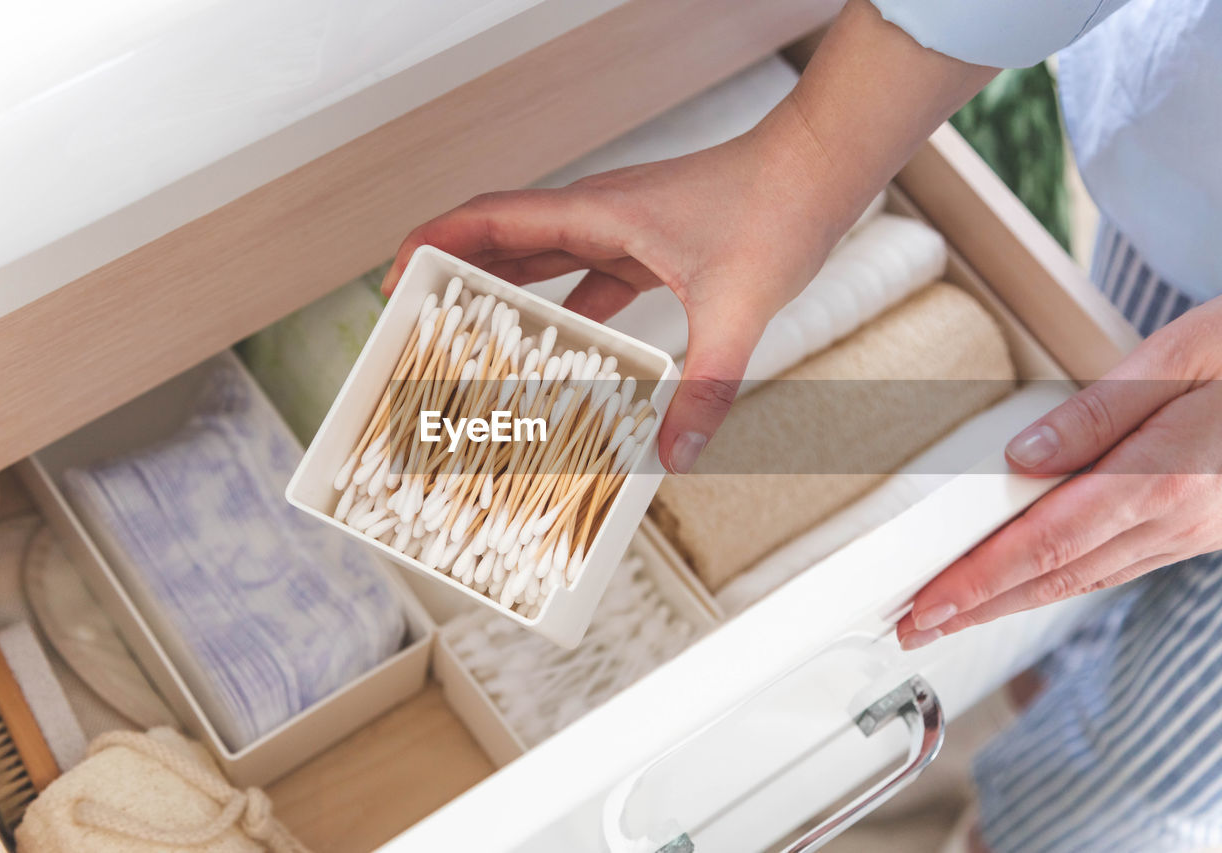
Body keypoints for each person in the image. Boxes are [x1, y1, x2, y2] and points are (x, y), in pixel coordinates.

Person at [382, 0, 1222, 849]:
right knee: (1098, 534)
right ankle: (1027, 692)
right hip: (1193, 183)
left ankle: (1027, 814)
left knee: (1140, 769)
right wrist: (808, 162)